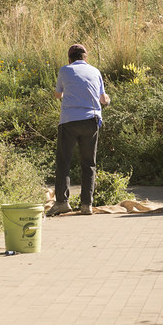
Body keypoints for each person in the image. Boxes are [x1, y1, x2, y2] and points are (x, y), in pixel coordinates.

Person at [49, 44, 110, 217]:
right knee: (88, 163)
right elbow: (103, 99)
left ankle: (62, 202)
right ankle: (86, 205)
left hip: (69, 121)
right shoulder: (95, 71)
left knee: (63, 161)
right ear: (85, 58)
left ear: (69, 58)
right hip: (91, 120)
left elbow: (58, 94)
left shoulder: (64, 70)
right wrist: (108, 101)